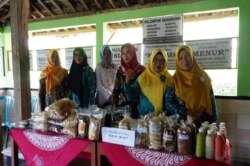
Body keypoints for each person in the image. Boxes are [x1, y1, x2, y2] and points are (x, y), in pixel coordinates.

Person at [165, 45, 217, 126]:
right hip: (181, 125)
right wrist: (186, 112)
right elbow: (168, 102)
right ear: (177, 61)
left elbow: (211, 102)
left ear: (192, 57)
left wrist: (214, 123)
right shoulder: (174, 80)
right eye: (180, 58)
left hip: (203, 124)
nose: (184, 60)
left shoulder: (204, 77)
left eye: (187, 56)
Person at [125, 48, 172, 116]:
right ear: (151, 60)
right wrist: (127, 82)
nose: (158, 63)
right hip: (144, 118)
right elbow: (131, 97)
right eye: (155, 59)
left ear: (165, 63)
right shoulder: (143, 78)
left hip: (163, 118)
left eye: (162, 60)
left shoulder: (169, 79)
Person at [112, 43, 145, 118]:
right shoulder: (120, 71)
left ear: (133, 53)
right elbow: (116, 91)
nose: (125, 55)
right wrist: (114, 107)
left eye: (128, 52)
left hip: (138, 110)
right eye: (123, 53)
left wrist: (127, 81)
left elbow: (143, 92)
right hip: (121, 111)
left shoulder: (142, 71)